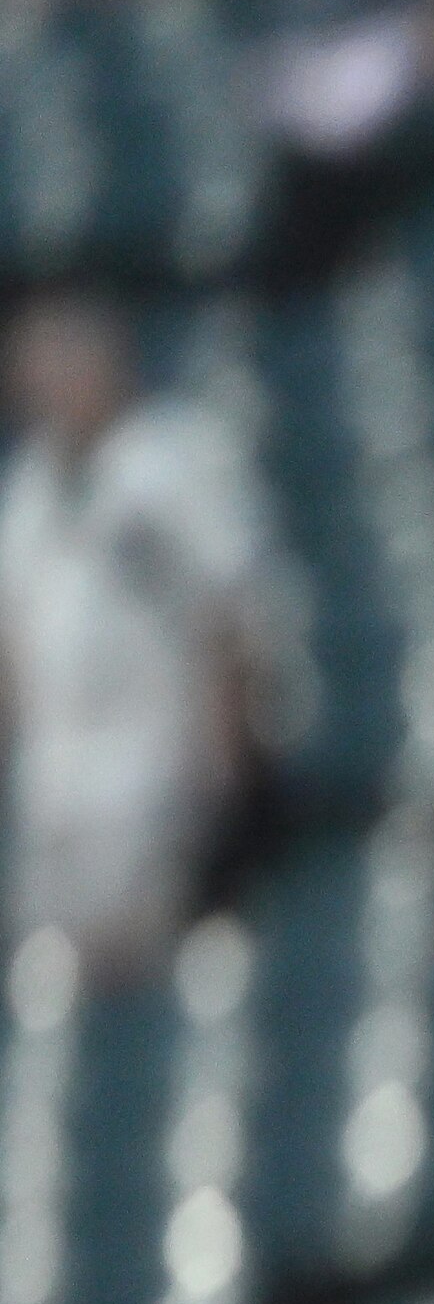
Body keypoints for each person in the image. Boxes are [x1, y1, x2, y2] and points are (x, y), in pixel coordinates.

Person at [0, 289, 266, 989]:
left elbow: (227, 612)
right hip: (55, 777)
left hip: (153, 762)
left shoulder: (175, 457)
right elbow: (14, 641)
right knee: (56, 986)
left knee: (148, 978)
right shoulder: (29, 486)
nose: (49, 384)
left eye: (64, 363)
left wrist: (223, 757)